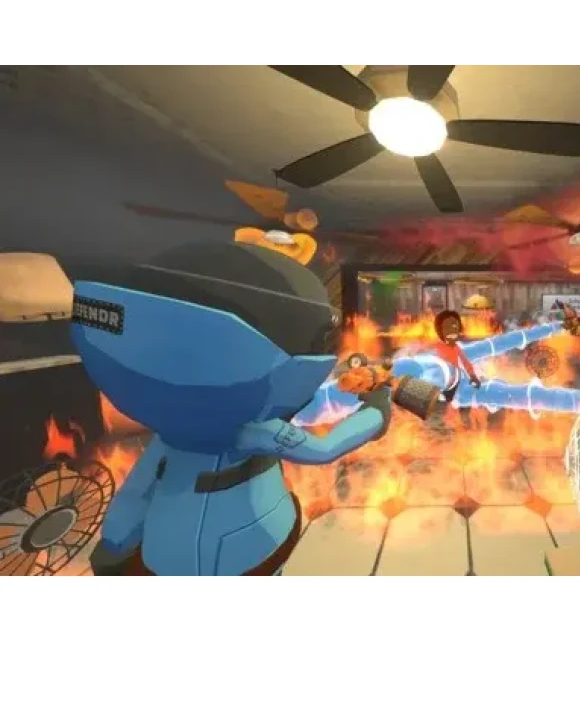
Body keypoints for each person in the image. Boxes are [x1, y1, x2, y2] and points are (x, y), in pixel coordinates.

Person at [68, 241, 391, 576]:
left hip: (163, 551)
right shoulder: (255, 431)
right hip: (251, 545)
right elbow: (324, 448)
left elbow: (136, 491)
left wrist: (116, 540)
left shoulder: (170, 434)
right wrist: (377, 412)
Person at [433, 310, 481, 402]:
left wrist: (472, 375)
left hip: (454, 380)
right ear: (440, 330)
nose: (452, 330)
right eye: (447, 327)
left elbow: (465, 362)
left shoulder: (456, 348)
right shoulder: (437, 347)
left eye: (455, 326)